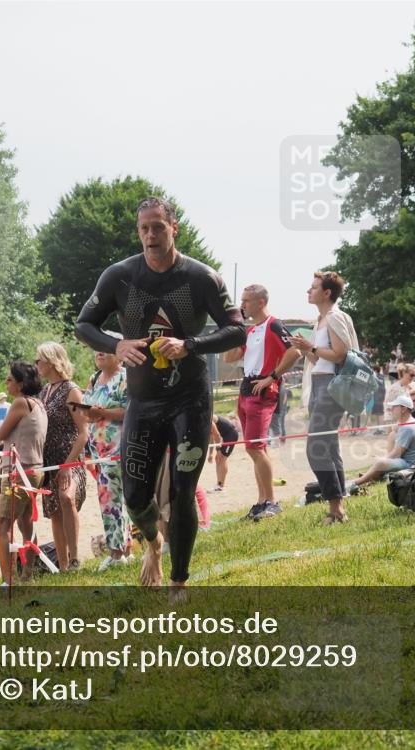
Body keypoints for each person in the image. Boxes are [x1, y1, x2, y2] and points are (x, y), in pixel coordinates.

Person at [75, 196, 245, 597]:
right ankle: (151, 542)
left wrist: (190, 345)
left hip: (190, 400)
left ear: (174, 228)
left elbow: (237, 330)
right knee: (135, 496)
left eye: (158, 227)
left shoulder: (202, 278)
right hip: (144, 403)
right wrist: (117, 346)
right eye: (144, 228)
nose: (150, 235)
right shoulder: (119, 277)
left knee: (184, 492)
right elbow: (84, 325)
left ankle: (178, 581)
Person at [222, 283, 300, 521]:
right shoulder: (250, 330)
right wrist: (231, 333)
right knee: (257, 448)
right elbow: (229, 357)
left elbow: (295, 352)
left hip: (262, 391)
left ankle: (271, 502)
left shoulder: (273, 324)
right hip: (246, 389)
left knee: (254, 447)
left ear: (260, 303)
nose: (242, 305)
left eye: (246, 301)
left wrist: (272, 377)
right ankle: (261, 501)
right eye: (241, 300)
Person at [291, 271, 359, 525]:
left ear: (327, 292)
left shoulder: (335, 317)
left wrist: (311, 348)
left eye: (314, 287)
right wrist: (303, 347)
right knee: (328, 445)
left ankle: (336, 507)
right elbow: (319, 359)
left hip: (333, 387)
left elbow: (341, 355)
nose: (309, 291)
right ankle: (338, 503)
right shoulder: (319, 320)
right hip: (320, 383)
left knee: (316, 447)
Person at [36, 341, 89, 572]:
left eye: (39, 360)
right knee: (54, 511)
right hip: (48, 460)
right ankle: (63, 564)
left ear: (51, 361)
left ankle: (75, 559)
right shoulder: (44, 391)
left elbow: (84, 433)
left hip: (71, 457)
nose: (36, 364)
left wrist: (67, 465)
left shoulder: (72, 390)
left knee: (67, 498)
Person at [0, 361, 48, 584]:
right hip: (35, 468)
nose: (6, 383)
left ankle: (9, 579)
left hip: (19, 470)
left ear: (21, 383)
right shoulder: (39, 404)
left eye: (9, 379)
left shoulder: (19, 403)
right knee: (26, 522)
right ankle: (28, 574)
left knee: (2, 526)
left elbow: (0, 434)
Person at [82, 339, 131, 572]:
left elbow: (129, 410)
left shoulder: (125, 377)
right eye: (97, 350)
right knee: (107, 500)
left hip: (121, 447)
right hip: (98, 451)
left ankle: (121, 551)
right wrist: (88, 414)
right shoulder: (94, 379)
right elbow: (86, 410)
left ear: (119, 356)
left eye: (106, 350)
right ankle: (117, 551)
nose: (100, 352)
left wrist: (102, 413)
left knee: (122, 499)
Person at [347, 394, 415, 492]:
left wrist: (382, 459)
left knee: (380, 463)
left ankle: (356, 483)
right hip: (414, 462)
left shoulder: (407, 428)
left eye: (394, 407)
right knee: (392, 436)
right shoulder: (408, 422)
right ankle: (376, 474)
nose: (391, 409)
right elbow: (394, 432)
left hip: (412, 465)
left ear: (403, 409)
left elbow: (397, 454)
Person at [208, 414, 239, 493]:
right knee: (217, 458)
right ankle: (219, 484)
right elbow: (212, 436)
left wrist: (218, 450)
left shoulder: (207, 417)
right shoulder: (204, 418)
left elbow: (217, 435)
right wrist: (210, 454)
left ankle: (221, 486)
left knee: (222, 458)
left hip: (231, 435)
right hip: (226, 436)